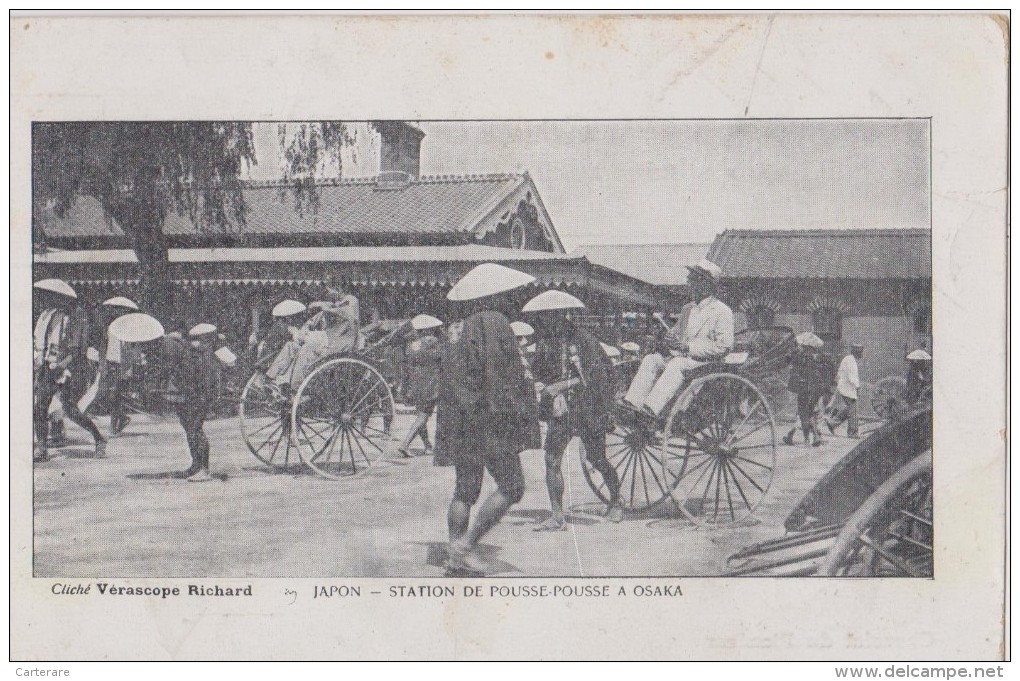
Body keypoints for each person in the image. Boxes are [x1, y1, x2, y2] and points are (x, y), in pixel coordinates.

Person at [438, 263, 539, 574]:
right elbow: (497, 374)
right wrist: (515, 413)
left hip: (459, 417)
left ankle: (455, 553)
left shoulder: (456, 327)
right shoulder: (494, 321)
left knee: (465, 489)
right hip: (487, 418)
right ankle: (466, 545)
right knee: (512, 487)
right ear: (496, 294)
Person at [524, 290, 623, 530]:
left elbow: (600, 376)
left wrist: (562, 384)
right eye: (543, 316)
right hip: (562, 409)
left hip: (588, 407)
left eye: (549, 315)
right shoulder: (546, 342)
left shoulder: (583, 339)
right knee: (551, 459)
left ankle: (616, 501)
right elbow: (540, 372)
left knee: (597, 458)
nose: (545, 320)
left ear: (561, 315)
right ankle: (557, 515)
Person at [623, 259, 734, 417]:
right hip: (683, 359)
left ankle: (651, 410)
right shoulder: (688, 309)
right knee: (651, 359)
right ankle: (633, 403)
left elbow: (724, 347)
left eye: (693, 279)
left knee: (677, 364)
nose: (688, 283)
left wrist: (687, 347)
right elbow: (677, 334)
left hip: (706, 363)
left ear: (706, 285)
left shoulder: (722, 311)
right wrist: (670, 339)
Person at [33, 279, 106, 461]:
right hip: (48, 366)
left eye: (53, 297)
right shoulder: (49, 315)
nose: (49, 299)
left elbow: (77, 350)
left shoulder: (77, 316)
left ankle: (99, 438)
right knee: (39, 408)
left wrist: (61, 366)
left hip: (69, 369)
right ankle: (42, 449)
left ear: (63, 298)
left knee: (71, 410)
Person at [162, 323, 224, 481]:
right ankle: (195, 465)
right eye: (194, 339)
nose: (194, 343)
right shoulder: (196, 354)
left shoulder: (208, 356)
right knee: (190, 429)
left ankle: (204, 469)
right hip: (191, 396)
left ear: (208, 340)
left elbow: (208, 382)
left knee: (195, 430)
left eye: (199, 340)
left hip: (200, 397)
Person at [395, 314, 444, 458]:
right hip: (431, 382)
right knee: (424, 415)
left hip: (415, 382)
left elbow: (406, 363)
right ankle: (405, 444)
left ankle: (428, 446)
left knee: (420, 414)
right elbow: (441, 358)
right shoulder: (432, 341)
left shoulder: (411, 345)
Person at [99, 296, 140, 436]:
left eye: (120, 310)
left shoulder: (129, 328)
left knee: (114, 395)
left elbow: (134, 349)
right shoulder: (109, 326)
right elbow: (103, 345)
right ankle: (121, 418)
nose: (117, 312)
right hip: (110, 362)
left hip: (122, 365)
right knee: (109, 395)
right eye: (115, 309)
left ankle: (113, 426)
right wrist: (102, 363)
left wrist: (130, 367)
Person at [782, 332, 832, 447]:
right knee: (810, 412)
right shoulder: (817, 356)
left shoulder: (800, 355)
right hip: (816, 388)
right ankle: (813, 436)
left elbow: (787, 360)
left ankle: (807, 439)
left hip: (803, 388)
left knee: (804, 413)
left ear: (804, 345)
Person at [826, 343, 863, 438]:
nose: (861, 354)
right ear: (856, 352)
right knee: (853, 410)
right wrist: (858, 386)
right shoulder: (850, 361)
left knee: (850, 410)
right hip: (847, 389)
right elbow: (852, 377)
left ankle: (832, 423)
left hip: (845, 388)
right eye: (860, 351)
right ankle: (852, 433)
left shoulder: (849, 359)